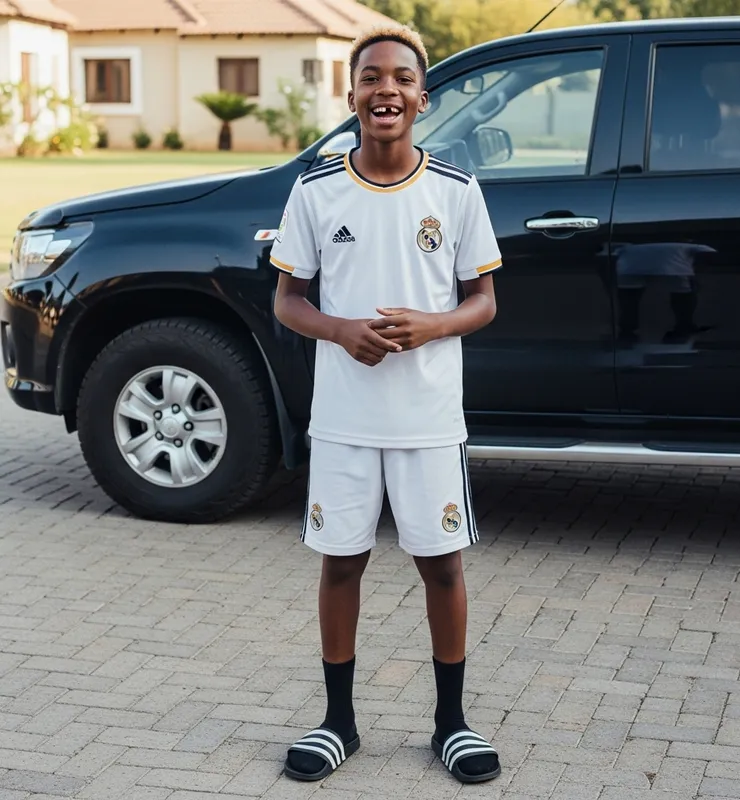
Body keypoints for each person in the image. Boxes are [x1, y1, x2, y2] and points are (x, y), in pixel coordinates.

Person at [270, 23, 503, 785]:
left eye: (402, 78)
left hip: (429, 420)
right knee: (343, 562)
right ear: (351, 95)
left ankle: (451, 724)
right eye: (372, 77)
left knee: (441, 566)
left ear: (423, 98)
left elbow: (484, 301)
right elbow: (288, 300)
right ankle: (339, 722)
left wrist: (435, 324)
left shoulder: (457, 193)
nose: (387, 90)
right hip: (343, 421)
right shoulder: (314, 190)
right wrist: (339, 329)